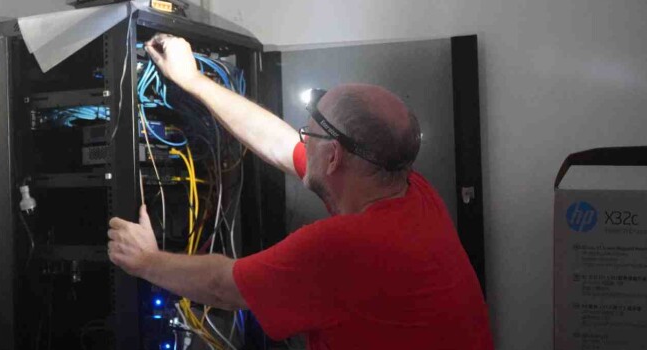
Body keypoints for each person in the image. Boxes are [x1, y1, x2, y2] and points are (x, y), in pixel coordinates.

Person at [107, 33, 494, 349]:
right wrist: (192, 80)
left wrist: (145, 260)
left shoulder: (346, 245)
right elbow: (280, 144)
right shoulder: (412, 191)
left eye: (309, 133)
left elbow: (223, 286)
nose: (301, 138)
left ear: (333, 158)